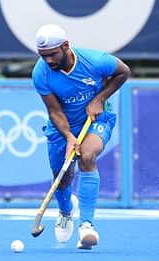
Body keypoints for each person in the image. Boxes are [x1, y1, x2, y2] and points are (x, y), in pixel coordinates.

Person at [32, 24, 130, 249]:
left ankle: (87, 225)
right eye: (43, 56)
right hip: (62, 125)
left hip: (98, 119)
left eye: (53, 54)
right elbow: (55, 111)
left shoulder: (95, 60)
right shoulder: (41, 73)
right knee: (62, 174)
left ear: (66, 46)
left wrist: (99, 99)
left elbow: (123, 72)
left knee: (86, 156)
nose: (48, 61)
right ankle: (66, 211)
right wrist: (68, 136)